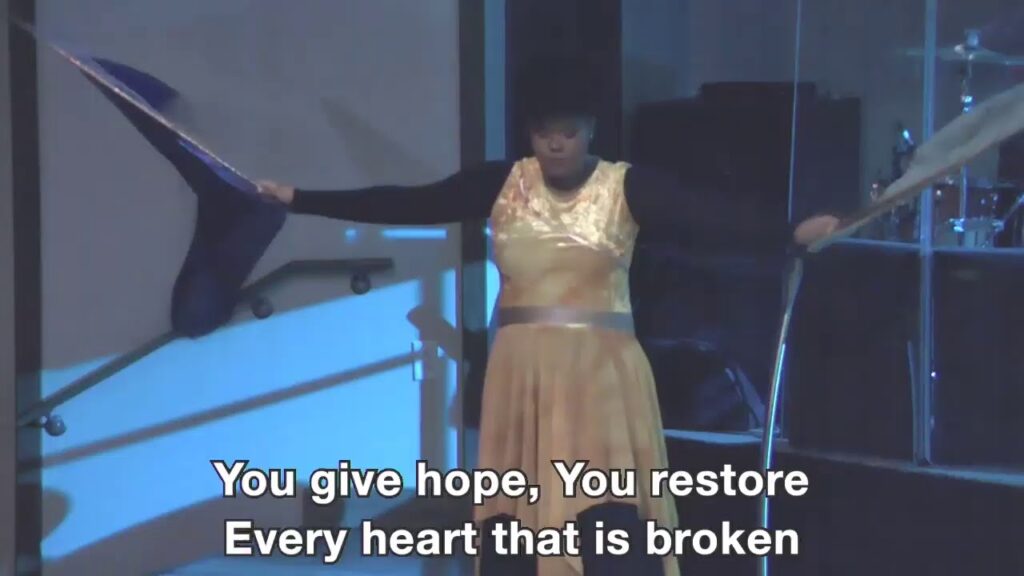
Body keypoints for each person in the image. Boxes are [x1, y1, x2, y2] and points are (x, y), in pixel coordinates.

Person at [256, 54, 838, 576]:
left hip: (601, 374)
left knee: (605, 512)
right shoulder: (503, 184)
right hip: (521, 373)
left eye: (568, 133)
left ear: (590, 130)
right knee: (517, 516)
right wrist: (300, 199)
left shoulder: (624, 187)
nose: (556, 145)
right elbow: (412, 201)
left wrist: (790, 231)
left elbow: (710, 218)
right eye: (544, 133)